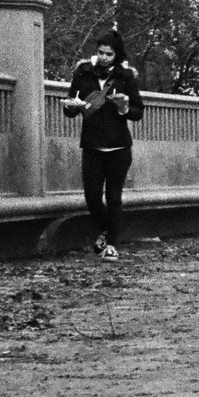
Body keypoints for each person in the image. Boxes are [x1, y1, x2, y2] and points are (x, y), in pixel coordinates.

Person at [65, 30, 144, 261]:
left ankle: (111, 245)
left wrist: (125, 108)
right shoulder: (83, 73)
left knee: (113, 196)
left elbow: (138, 111)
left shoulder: (126, 77)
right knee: (91, 196)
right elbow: (71, 103)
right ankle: (107, 231)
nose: (104, 57)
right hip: (91, 146)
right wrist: (71, 107)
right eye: (100, 53)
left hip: (119, 147)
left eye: (109, 54)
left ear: (117, 55)